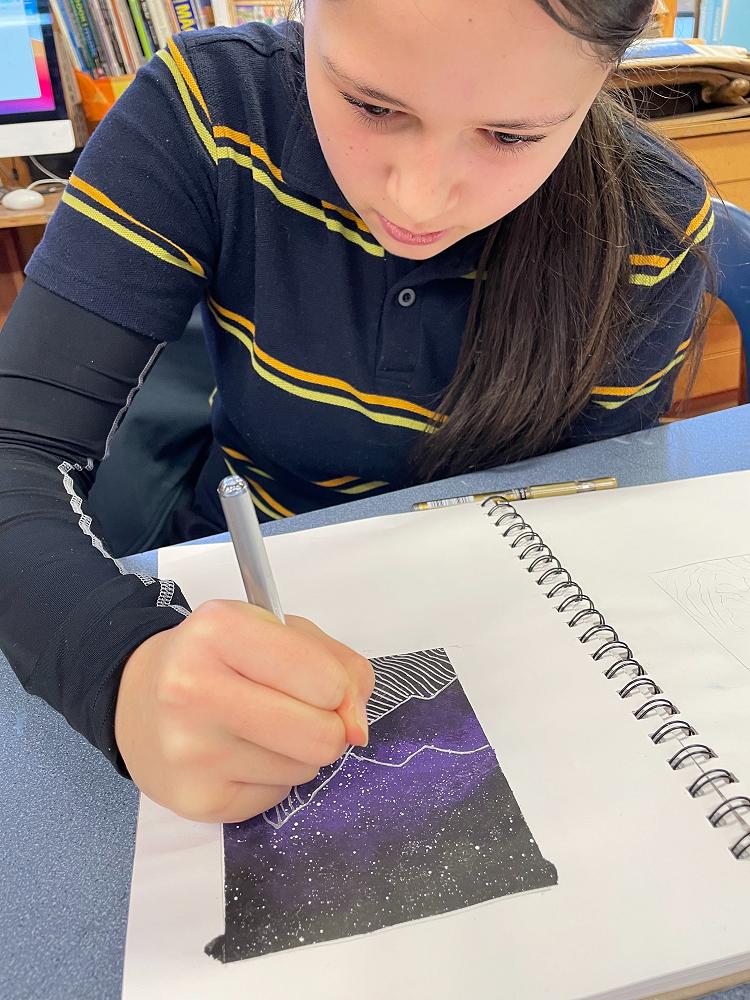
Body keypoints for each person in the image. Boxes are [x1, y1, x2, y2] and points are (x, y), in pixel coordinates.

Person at [0, 0, 714, 823]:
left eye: (510, 136)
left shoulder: (649, 230)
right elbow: (17, 444)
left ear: (607, 72)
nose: (419, 202)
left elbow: (583, 512)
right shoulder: (210, 112)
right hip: (240, 591)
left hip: (498, 634)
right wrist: (122, 668)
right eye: (372, 106)